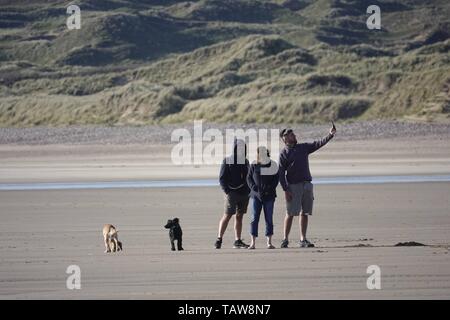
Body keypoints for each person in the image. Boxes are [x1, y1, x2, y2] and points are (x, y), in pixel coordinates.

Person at [278, 124, 336, 248]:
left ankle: (303, 239)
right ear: (285, 138)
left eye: (293, 134)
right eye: (291, 135)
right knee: (290, 213)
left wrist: (330, 135)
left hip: (307, 185)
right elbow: (281, 174)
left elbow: (318, 143)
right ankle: (285, 239)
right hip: (293, 186)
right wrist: (286, 190)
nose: (294, 135)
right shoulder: (283, 153)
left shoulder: (303, 147)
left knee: (304, 213)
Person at [215, 139, 250, 249]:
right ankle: (219, 239)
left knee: (239, 217)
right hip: (231, 193)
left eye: (242, 147)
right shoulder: (227, 160)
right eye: (238, 147)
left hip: (244, 193)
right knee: (227, 215)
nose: (240, 149)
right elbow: (222, 178)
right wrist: (227, 191)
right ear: (234, 148)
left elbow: (249, 177)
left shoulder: (246, 161)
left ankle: (237, 240)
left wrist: (249, 190)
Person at [247, 146, 279, 249]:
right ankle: (253, 243)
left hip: (269, 196)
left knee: (269, 218)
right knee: (254, 218)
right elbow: (249, 178)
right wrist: (253, 187)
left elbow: (276, 180)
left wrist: (268, 189)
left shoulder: (273, 165)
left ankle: (269, 242)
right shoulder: (254, 164)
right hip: (255, 196)